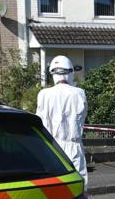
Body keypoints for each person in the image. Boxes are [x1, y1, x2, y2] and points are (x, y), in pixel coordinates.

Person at [36, 55, 88, 189]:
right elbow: (82, 117)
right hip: (73, 145)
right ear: (70, 72)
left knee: (53, 185)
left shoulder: (44, 94)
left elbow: (39, 121)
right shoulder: (79, 93)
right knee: (79, 184)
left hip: (51, 146)